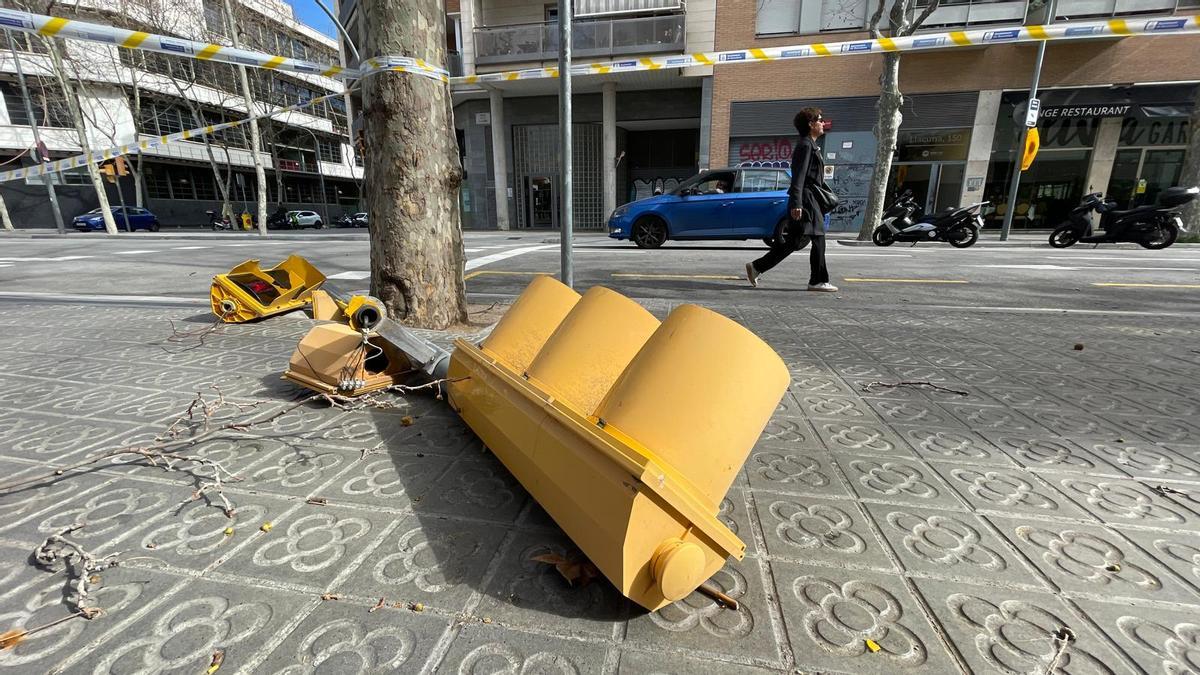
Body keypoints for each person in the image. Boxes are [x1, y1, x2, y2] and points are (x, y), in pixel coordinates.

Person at [745, 107, 836, 292]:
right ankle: (817, 280)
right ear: (811, 124)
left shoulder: (810, 144)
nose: (822, 122)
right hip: (806, 199)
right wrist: (797, 203)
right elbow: (798, 176)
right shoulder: (805, 145)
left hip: (808, 199)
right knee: (819, 237)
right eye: (819, 119)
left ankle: (757, 267)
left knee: (794, 241)